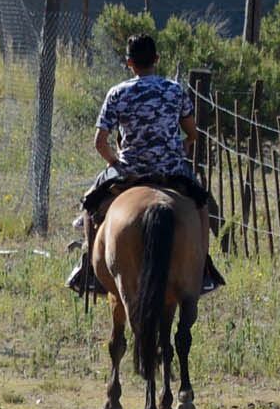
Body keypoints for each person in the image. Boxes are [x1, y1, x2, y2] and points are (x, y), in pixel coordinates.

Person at [65, 29, 222, 294]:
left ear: (129, 63)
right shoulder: (175, 90)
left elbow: (99, 142)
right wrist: (182, 146)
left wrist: (114, 162)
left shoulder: (117, 93)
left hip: (130, 170)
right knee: (201, 205)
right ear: (157, 59)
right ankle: (202, 267)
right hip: (171, 169)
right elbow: (192, 132)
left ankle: (90, 268)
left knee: (90, 204)